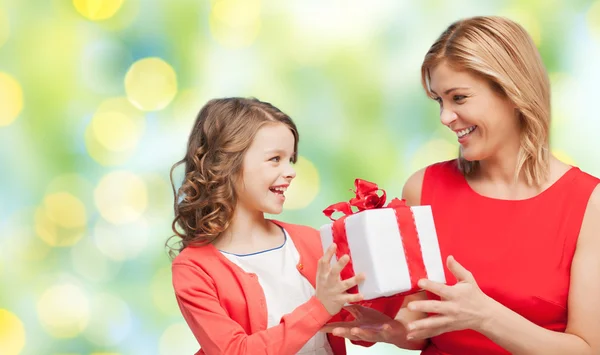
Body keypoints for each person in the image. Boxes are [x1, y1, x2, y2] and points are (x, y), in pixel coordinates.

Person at [328, 15, 600, 354]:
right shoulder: (423, 188)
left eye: (458, 98)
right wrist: (392, 330)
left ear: (512, 91)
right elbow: (424, 326)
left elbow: (587, 349)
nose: (445, 117)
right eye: (439, 101)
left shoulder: (588, 204)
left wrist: (486, 317)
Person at [168, 97, 365, 355]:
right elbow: (235, 351)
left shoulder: (310, 241)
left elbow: (352, 323)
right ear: (226, 163)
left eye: (290, 159)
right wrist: (320, 307)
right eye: (275, 159)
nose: (291, 171)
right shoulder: (193, 269)